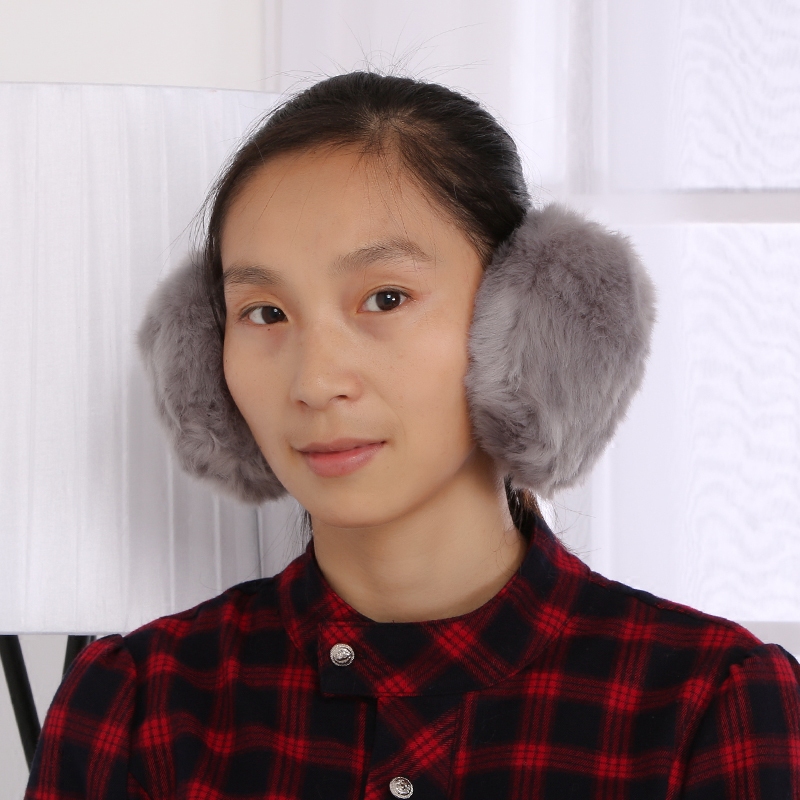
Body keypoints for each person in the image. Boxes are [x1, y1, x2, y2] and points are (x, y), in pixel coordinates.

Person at [26, 72, 800, 799]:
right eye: (265, 313)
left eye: (385, 298)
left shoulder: (712, 708)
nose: (315, 381)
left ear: (528, 325)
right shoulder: (135, 707)